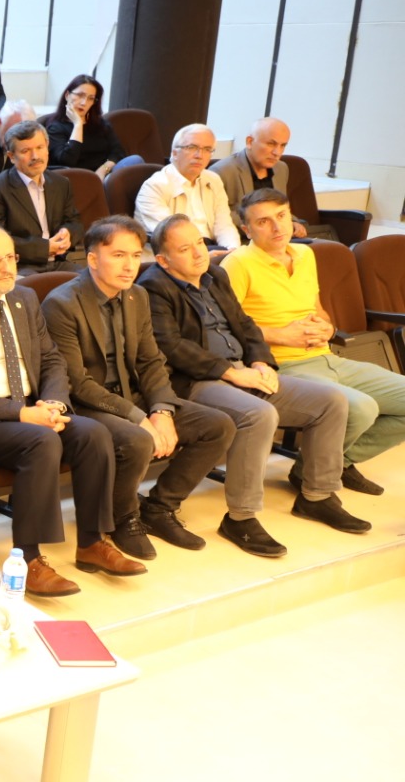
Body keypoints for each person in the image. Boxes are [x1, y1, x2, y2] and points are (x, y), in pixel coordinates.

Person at [0, 226, 143, 590]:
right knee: (41, 441)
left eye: (10, 257)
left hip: (34, 407)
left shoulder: (24, 298)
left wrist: (55, 403)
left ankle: (92, 541)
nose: (7, 268)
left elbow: (51, 359)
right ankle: (27, 559)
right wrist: (23, 414)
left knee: (93, 433)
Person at [139, 214, 367, 554]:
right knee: (258, 414)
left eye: (199, 242)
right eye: (185, 249)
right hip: (195, 381)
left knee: (331, 402)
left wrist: (261, 361)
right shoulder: (153, 287)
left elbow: (245, 325)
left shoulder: (215, 275)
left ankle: (317, 496)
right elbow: (171, 346)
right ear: (163, 260)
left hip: (243, 369)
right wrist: (229, 372)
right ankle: (241, 518)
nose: (199, 253)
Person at [42, 217, 235, 560]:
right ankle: (123, 518)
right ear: (92, 259)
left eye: (135, 255)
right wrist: (139, 417)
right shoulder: (62, 304)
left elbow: (151, 361)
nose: (130, 265)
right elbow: (76, 382)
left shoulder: (137, 296)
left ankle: (159, 507)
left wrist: (161, 410)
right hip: (87, 404)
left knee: (218, 426)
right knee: (137, 439)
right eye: (118, 255)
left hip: (133, 394)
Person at [222, 188, 405, 495]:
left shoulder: (305, 254)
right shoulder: (238, 263)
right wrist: (280, 334)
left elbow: (317, 309)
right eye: (264, 221)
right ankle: (318, 470)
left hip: (327, 356)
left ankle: (331, 463)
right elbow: (224, 328)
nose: (277, 227)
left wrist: (328, 327)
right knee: (361, 409)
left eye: (282, 216)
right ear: (247, 229)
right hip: (282, 366)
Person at [0, 119, 85, 273]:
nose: (35, 156)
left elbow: (75, 222)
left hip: (59, 262)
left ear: (47, 147)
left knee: (93, 279)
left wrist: (68, 233)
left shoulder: (61, 183)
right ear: (11, 156)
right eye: (25, 151)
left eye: (40, 147)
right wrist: (45, 248)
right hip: (20, 266)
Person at [210, 117, 333, 241]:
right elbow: (218, 215)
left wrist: (292, 222)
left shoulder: (281, 168)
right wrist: (266, 226)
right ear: (250, 142)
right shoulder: (222, 171)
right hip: (244, 240)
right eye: (271, 144)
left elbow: (279, 206)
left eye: (282, 145)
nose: (277, 152)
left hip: (278, 236)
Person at [134, 124, 240, 247]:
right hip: (177, 250)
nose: (199, 155)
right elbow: (171, 235)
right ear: (174, 153)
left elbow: (224, 225)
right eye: (192, 147)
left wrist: (233, 250)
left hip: (211, 247)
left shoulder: (213, 180)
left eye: (207, 149)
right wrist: (204, 254)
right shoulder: (155, 186)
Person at [42, 74, 127, 177]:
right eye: (80, 95)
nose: (84, 102)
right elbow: (67, 162)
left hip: (104, 177)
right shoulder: (56, 127)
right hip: (75, 179)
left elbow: (118, 152)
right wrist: (78, 125)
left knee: (134, 160)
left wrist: (103, 170)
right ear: (67, 95)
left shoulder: (101, 124)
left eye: (91, 98)